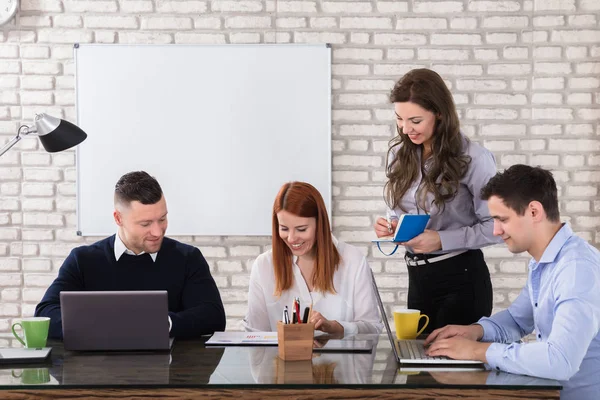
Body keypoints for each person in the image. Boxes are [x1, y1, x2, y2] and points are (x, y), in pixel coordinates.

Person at [425, 165, 600, 400]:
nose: (496, 231)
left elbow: (561, 361)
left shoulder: (576, 270)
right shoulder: (544, 262)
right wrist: (475, 331)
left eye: (501, 219)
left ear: (534, 212)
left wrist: (479, 352)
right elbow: (518, 320)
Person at [373, 68, 501, 332]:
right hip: (417, 279)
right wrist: (392, 225)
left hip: (462, 280)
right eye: (399, 119)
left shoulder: (475, 159)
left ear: (439, 114)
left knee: (450, 369)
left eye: (415, 121)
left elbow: (496, 227)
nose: (406, 129)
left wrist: (442, 239)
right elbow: (399, 212)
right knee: (416, 368)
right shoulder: (398, 154)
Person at [35, 171, 226, 339]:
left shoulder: (187, 258)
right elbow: (45, 314)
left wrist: (161, 323)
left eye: (162, 219)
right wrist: (114, 325)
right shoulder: (83, 260)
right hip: (97, 372)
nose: (158, 232)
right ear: (118, 218)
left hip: (171, 372)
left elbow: (212, 316)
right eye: (145, 224)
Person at [243, 182, 382, 336]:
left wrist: (336, 327)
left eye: (301, 229)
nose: (291, 238)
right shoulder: (264, 265)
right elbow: (253, 335)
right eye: (284, 228)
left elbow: (372, 328)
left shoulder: (353, 260)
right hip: (278, 360)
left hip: (340, 361)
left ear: (320, 223)